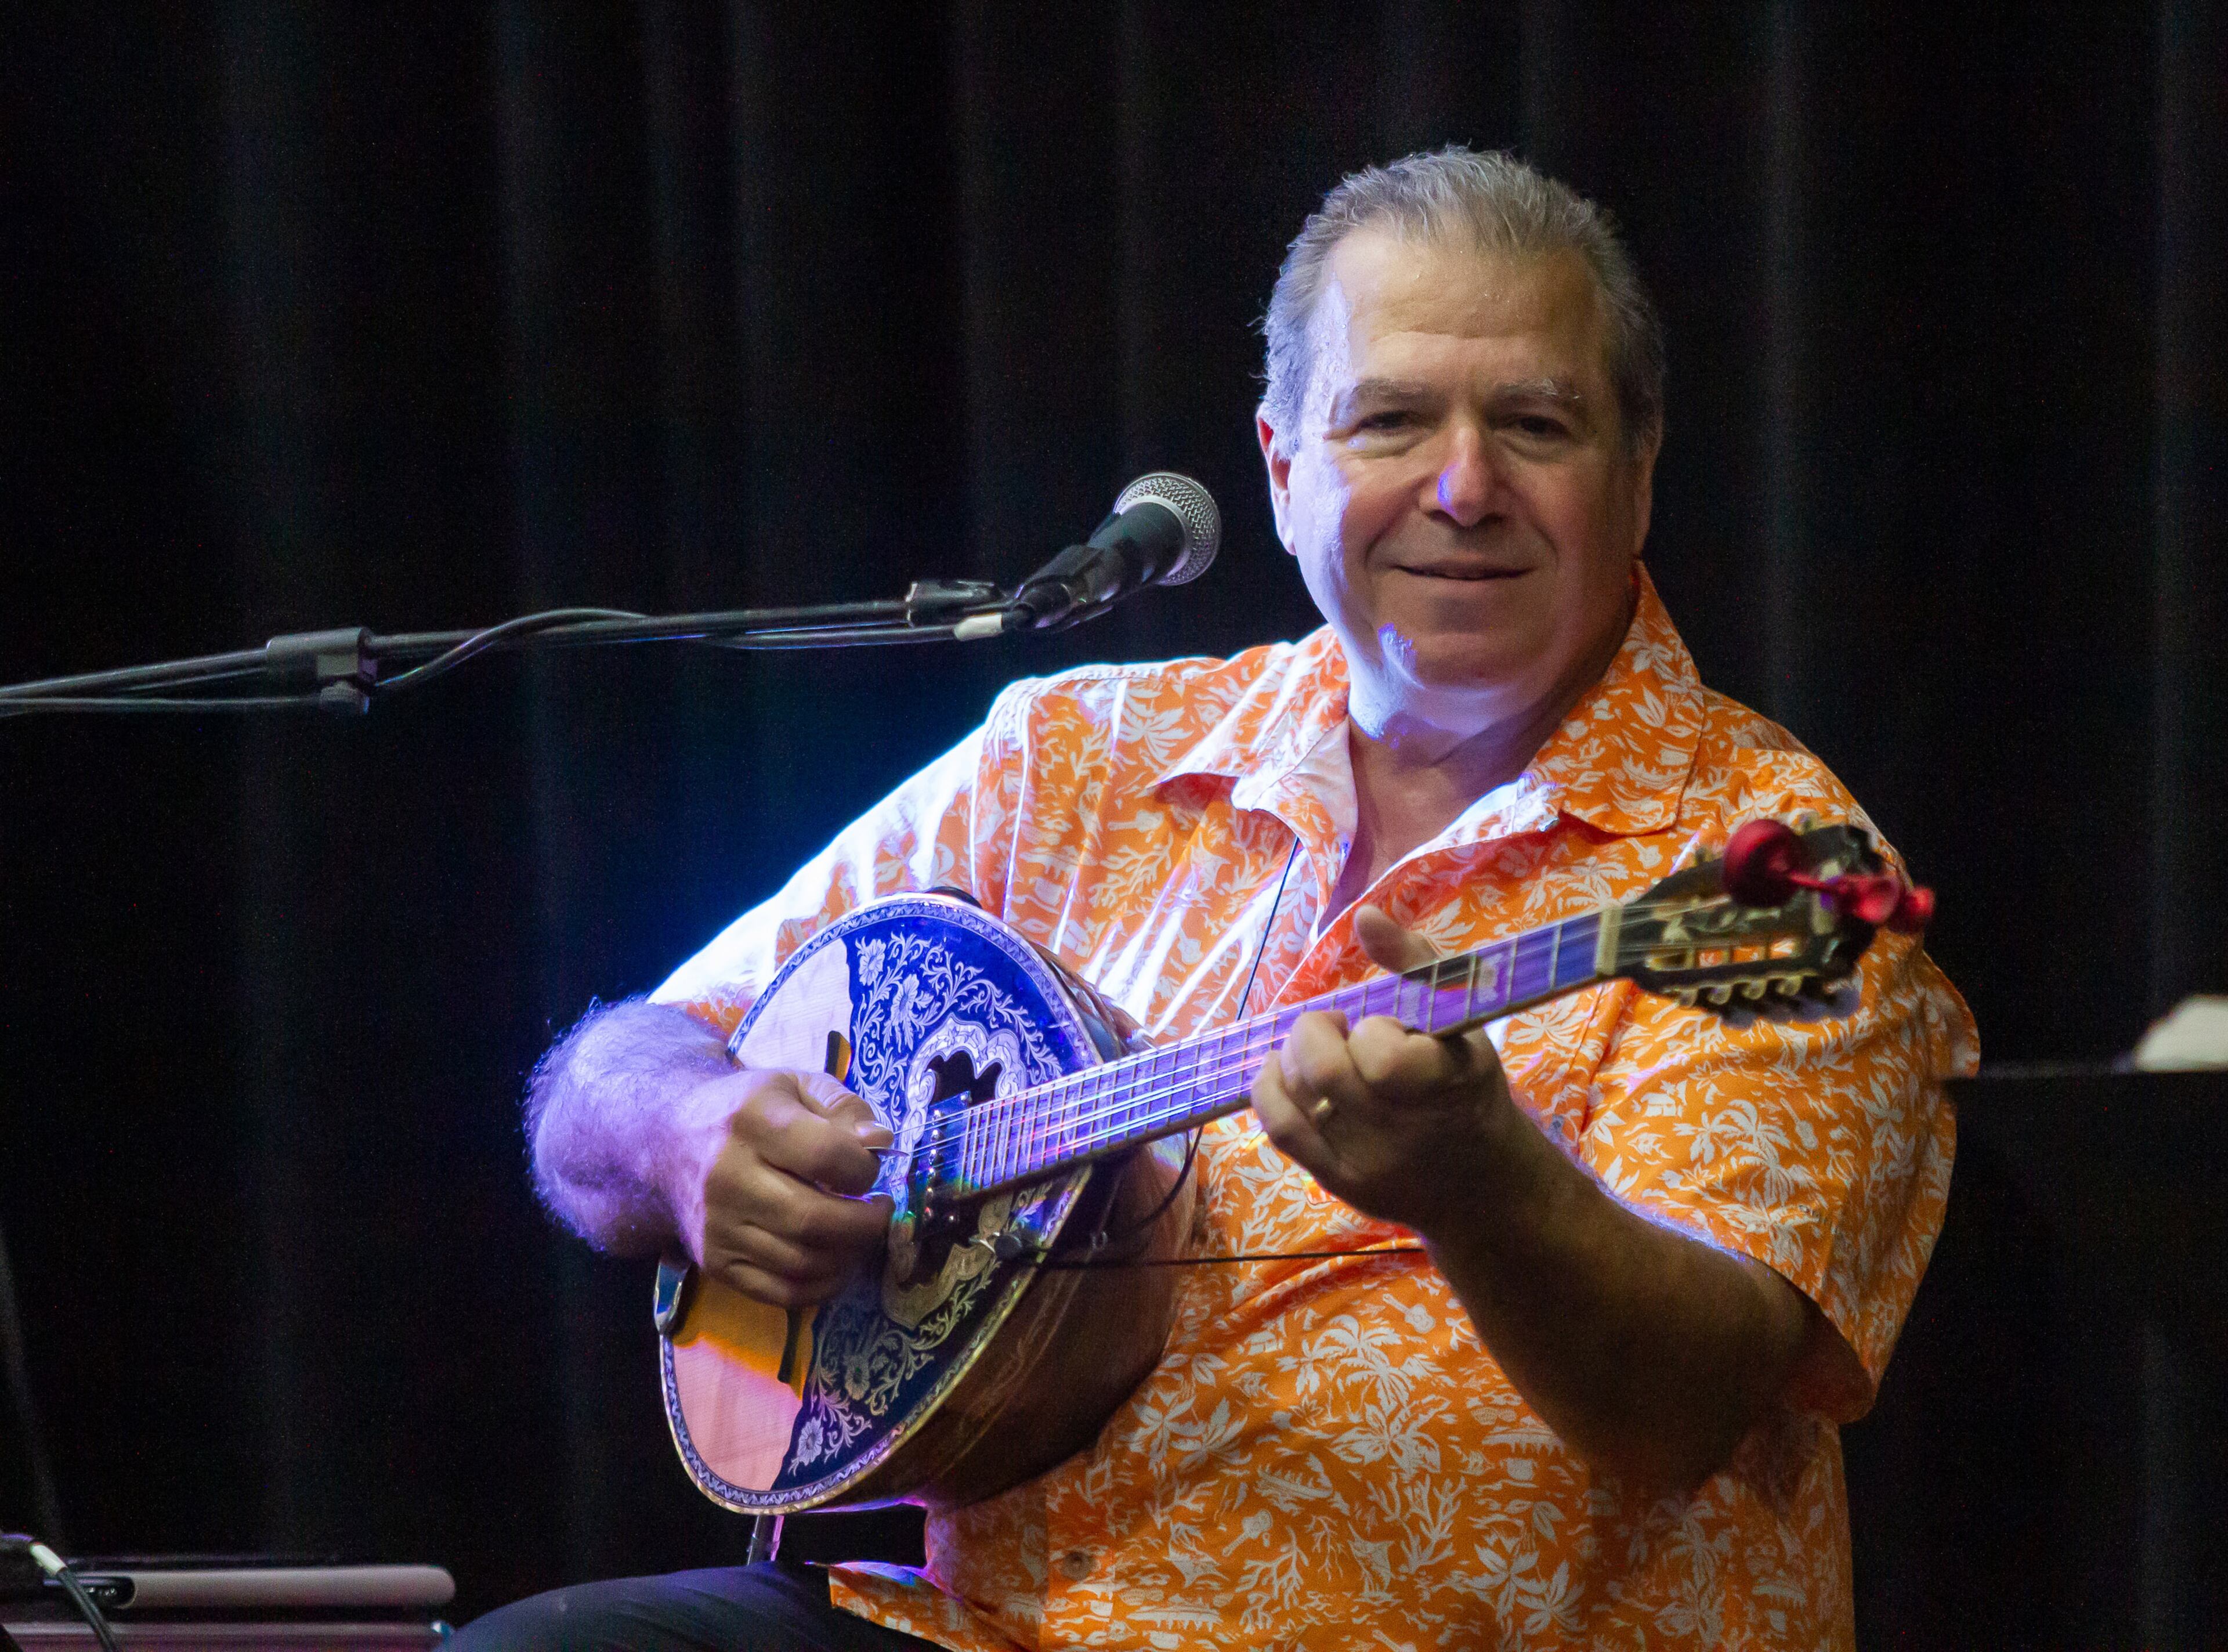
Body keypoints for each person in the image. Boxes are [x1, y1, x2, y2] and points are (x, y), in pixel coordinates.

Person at [458, 147, 1975, 1651]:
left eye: (1535, 424)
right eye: (1390, 422)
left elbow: (1685, 1406)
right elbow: (615, 1071)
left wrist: (1482, 1185)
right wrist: (684, 1133)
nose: (1463, 487)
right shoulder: (1082, 753)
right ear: (1280, 467)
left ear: (1638, 474)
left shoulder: (1762, 858)